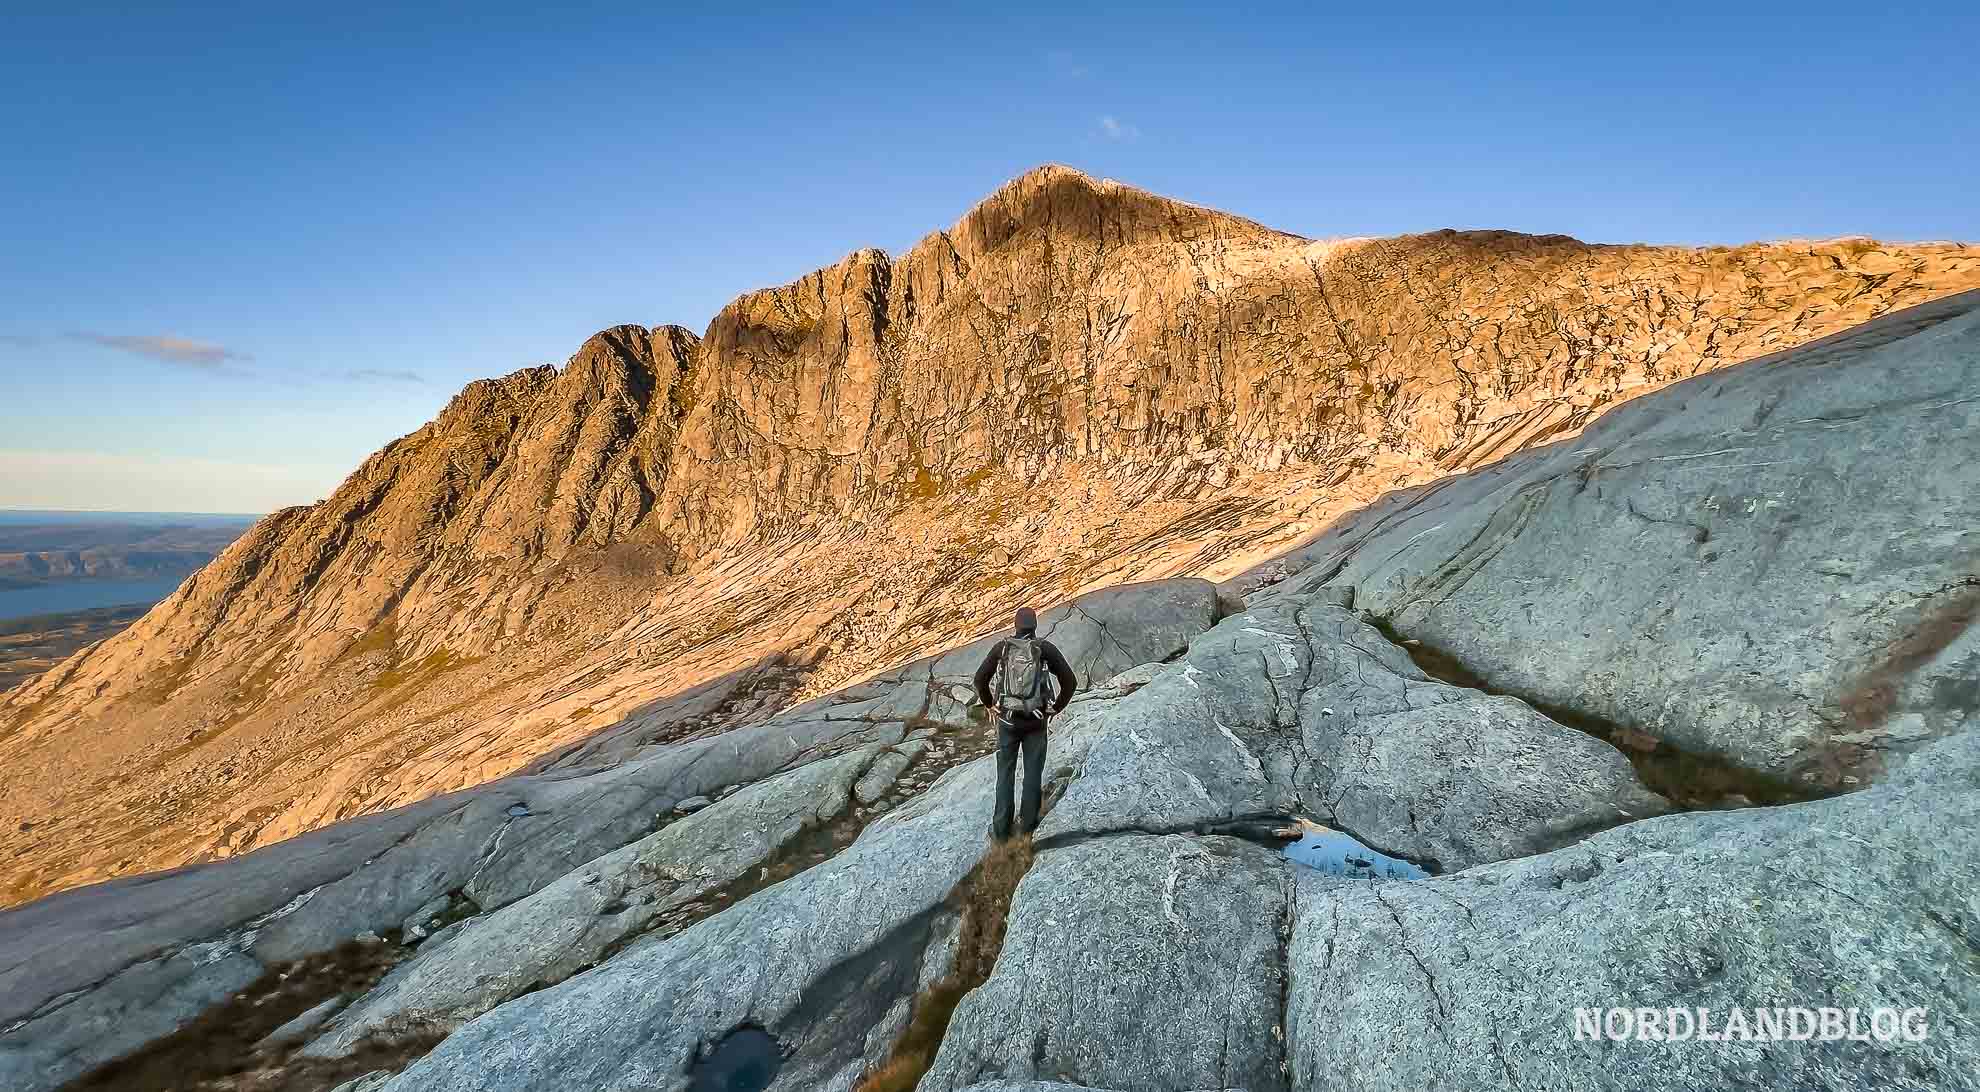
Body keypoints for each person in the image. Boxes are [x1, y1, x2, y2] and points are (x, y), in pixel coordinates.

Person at [972, 606, 1078, 841]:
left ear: (1016, 625)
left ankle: (1001, 831)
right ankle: (1028, 827)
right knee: (1032, 773)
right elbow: (1070, 681)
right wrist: (1055, 707)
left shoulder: (1003, 648)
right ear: (1035, 626)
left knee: (1005, 773)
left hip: (1008, 721)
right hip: (1036, 722)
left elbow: (980, 680)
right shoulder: (1044, 648)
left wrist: (990, 704)